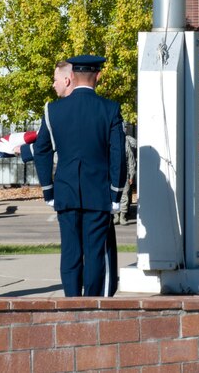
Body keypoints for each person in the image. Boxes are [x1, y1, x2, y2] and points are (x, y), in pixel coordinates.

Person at [32, 54, 125, 297]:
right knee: (95, 253)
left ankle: (71, 302)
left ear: (71, 77)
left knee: (71, 252)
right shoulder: (110, 109)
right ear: (99, 76)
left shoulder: (53, 110)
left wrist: (48, 189)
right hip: (99, 193)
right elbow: (118, 154)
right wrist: (117, 193)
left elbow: (41, 151)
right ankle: (93, 303)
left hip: (65, 191)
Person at [116, 125, 137, 225]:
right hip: (113, 173)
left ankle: (122, 216)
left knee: (124, 195)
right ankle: (116, 215)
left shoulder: (126, 142)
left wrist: (131, 175)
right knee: (114, 195)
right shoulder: (111, 140)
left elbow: (131, 160)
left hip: (125, 172)